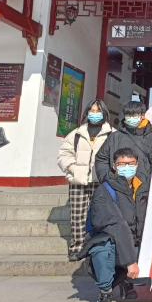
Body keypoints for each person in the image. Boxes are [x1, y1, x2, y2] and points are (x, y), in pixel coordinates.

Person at [78, 148, 148, 302]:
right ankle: (105, 292)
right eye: (122, 164)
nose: (127, 167)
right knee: (102, 248)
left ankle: (126, 281)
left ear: (137, 164)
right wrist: (130, 261)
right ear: (114, 166)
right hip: (114, 242)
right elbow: (116, 226)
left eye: (131, 163)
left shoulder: (144, 187)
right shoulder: (105, 191)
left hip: (137, 242)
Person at [58, 99, 115, 261]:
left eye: (98, 111)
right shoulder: (76, 133)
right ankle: (77, 246)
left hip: (101, 181)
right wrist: (73, 169)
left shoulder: (112, 133)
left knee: (100, 214)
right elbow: (64, 154)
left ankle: (97, 245)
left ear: (104, 113)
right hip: (79, 181)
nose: (95, 114)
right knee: (78, 215)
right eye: (92, 111)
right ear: (87, 113)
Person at [95, 101, 152, 183]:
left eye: (135, 115)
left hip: (143, 186)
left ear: (142, 116)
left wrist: (150, 183)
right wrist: (107, 179)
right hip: (117, 185)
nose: (131, 118)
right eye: (128, 115)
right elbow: (101, 158)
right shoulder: (114, 137)